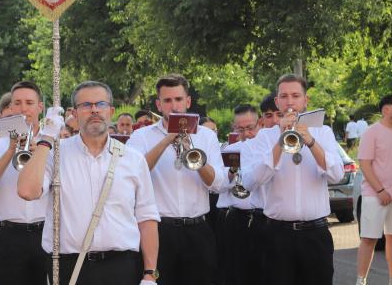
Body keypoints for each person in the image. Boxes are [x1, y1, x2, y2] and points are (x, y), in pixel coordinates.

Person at [17, 81, 160, 285]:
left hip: (121, 267)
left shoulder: (133, 159)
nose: (94, 110)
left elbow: (147, 218)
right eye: (85, 105)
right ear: (74, 114)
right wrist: (47, 138)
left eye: (100, 104)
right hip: (69, 267)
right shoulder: (55, 154)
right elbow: (26, 191)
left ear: (111, 111)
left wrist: (149, 274)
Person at [241, 74, 343, 285]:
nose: (290, 102)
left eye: (295, 96)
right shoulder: (265, 138)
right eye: (284, 96)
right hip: (277, 235)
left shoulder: (323, 132)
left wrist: (312, 142)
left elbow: (336, 175)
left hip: (316, 234)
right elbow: (252, 182)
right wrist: (280, 140)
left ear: (305, 101)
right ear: (277, 101)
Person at [126, 74, 227, 285]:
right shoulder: (141, 136)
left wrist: (193, 152)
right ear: (158, 104)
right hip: (159, 231)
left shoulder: (206, 136)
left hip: (198, 230)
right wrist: (166, 140)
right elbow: (133, 174)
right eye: (168, 100)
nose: (174, 106)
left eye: (179, 99)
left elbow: (218, 184)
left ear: (188, 102)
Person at [0, 81, 48, 285]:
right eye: (18, 103)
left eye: (29, 103)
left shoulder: (53, 144)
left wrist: (40, 151)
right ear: (11, 108)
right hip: (8, 235)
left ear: (40, 107)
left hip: (46, 233)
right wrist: (9, 151)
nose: (23, 108)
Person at [355, 95, 392, 285]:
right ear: (385, 110)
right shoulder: (371, 132)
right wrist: (380, 191)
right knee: (369, 239)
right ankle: (361, 280)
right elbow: (364, 164)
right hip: (375, 196)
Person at [215, 104, 265, 285]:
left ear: (260, 123)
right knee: (236, 274)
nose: (246, 134)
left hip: (265, 219)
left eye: (250, 128)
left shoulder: (268, 148)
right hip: (237, 219)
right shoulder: (229, 150)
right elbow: (218, 187)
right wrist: (230, 174)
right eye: (240, 129)